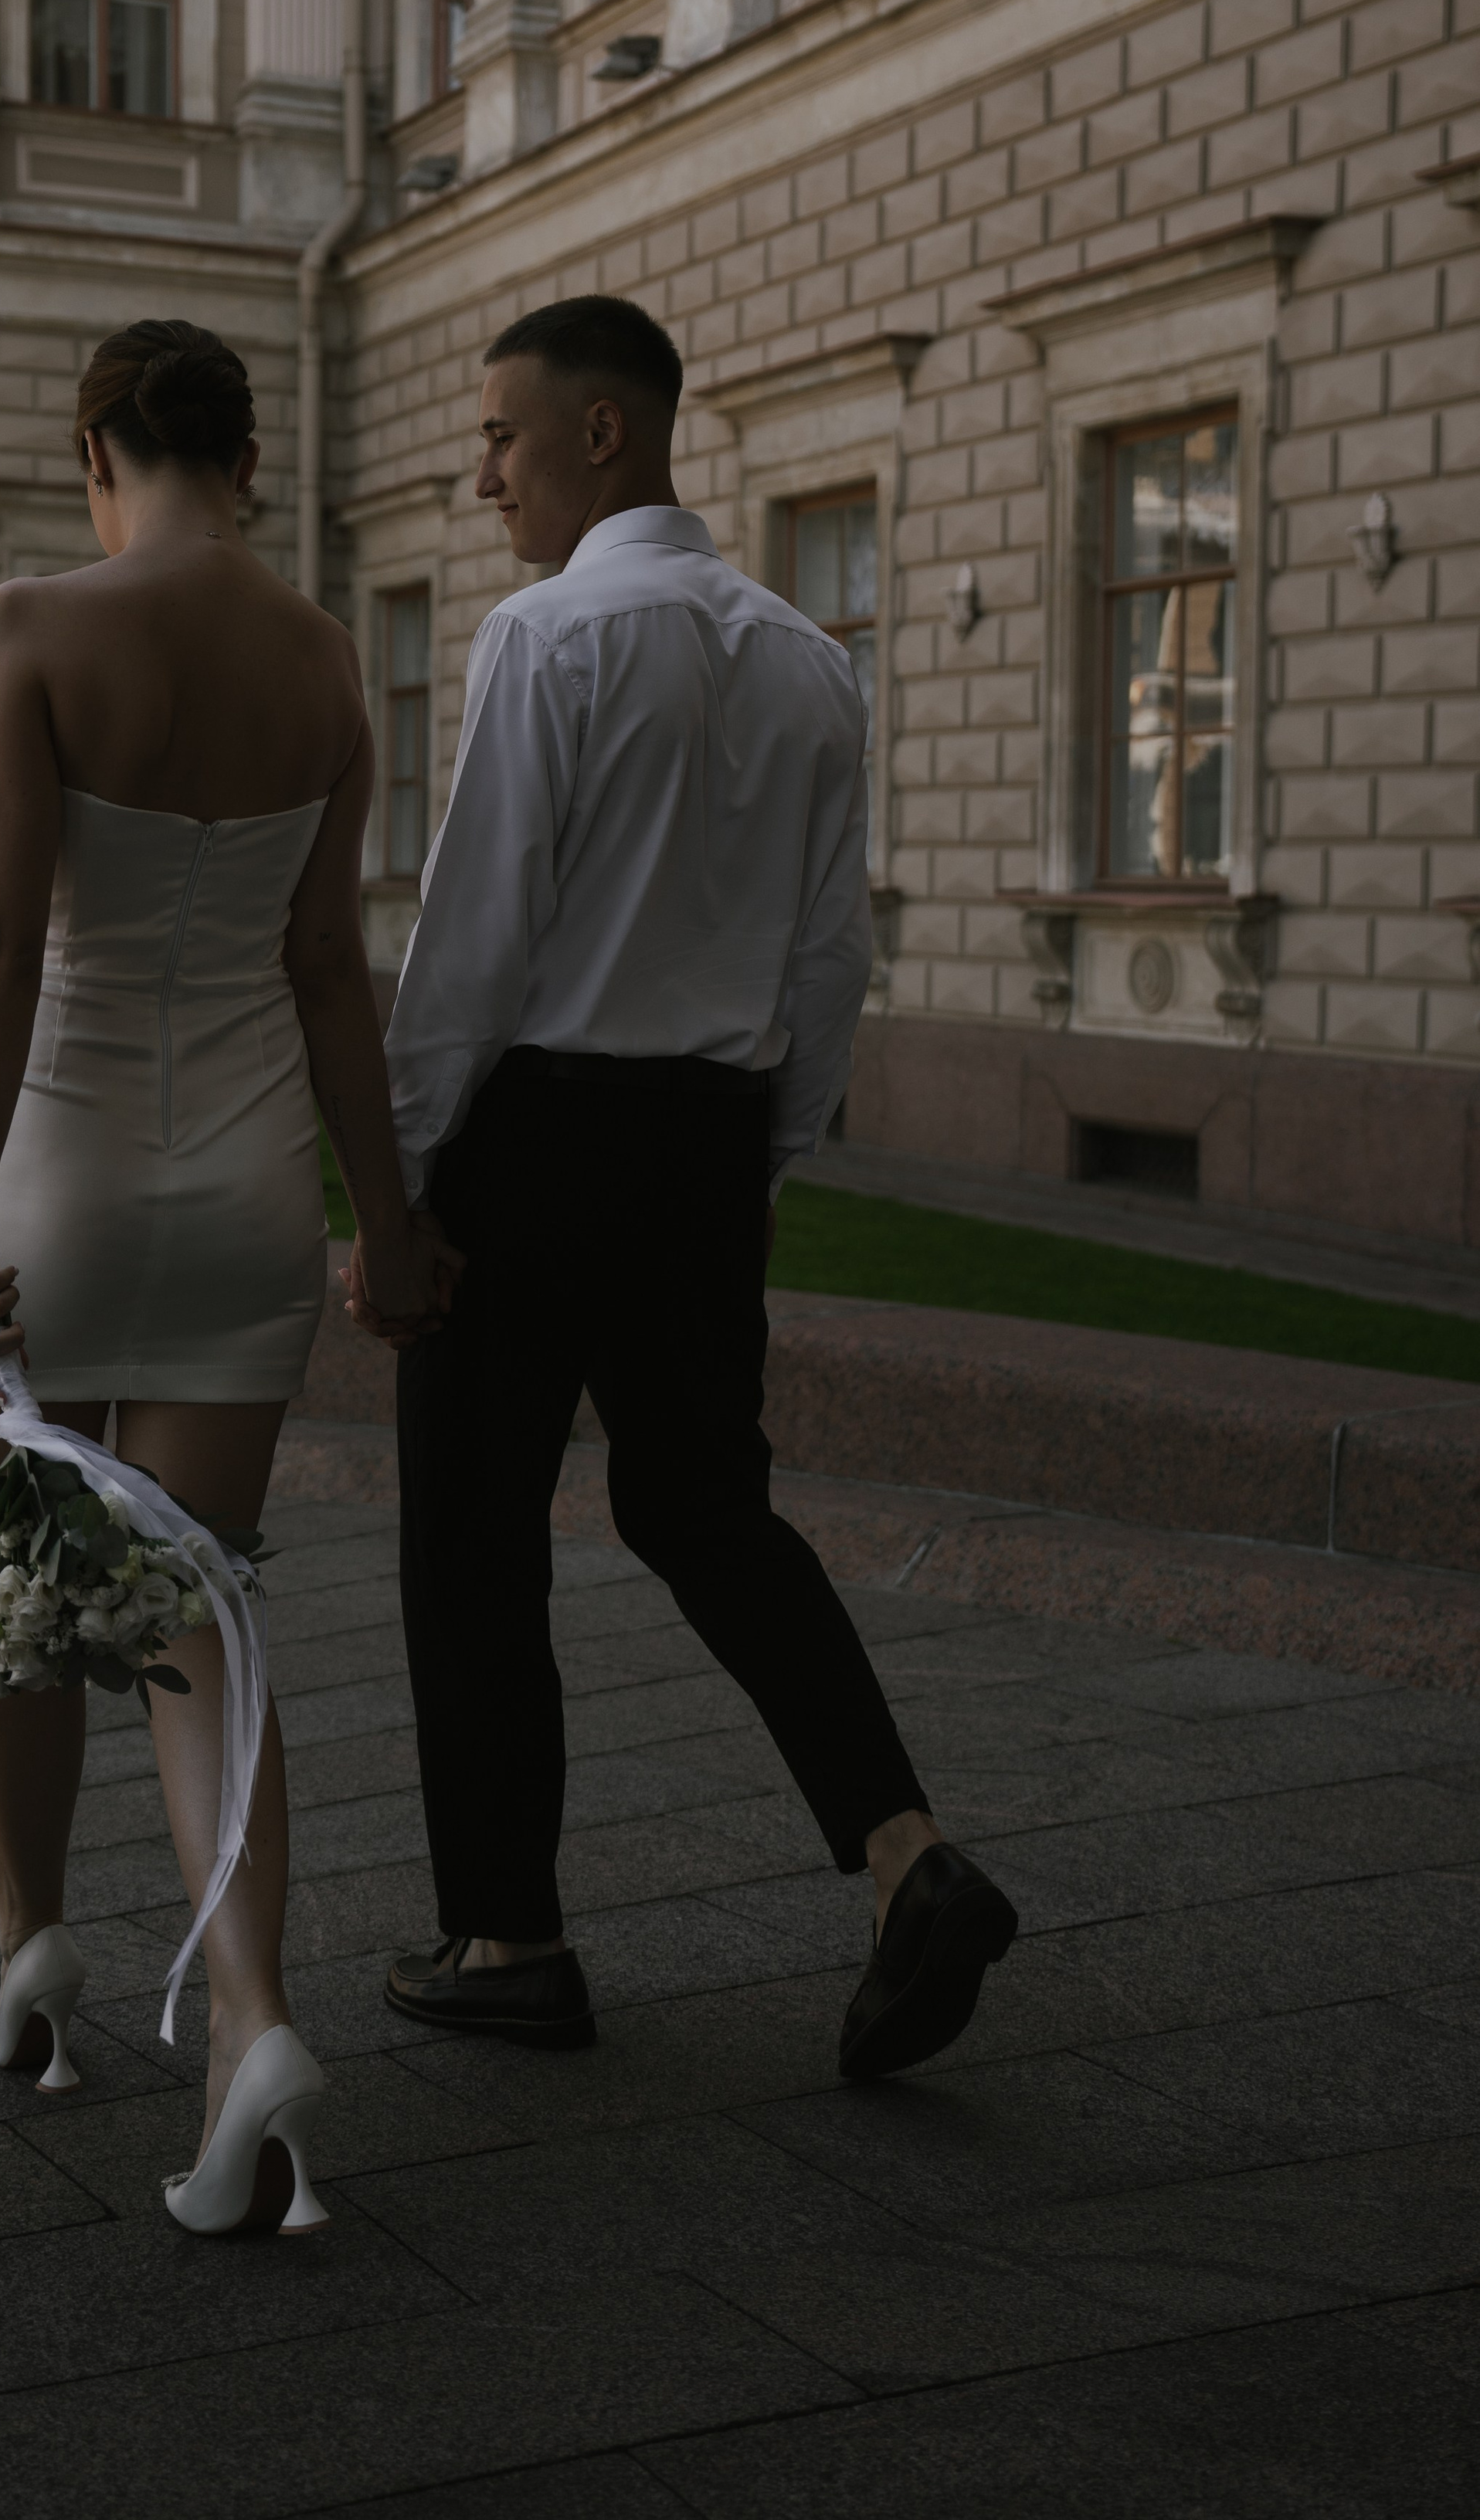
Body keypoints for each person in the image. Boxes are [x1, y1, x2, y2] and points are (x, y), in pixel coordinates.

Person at [347, 294, 1017, 2080]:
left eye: (498, 433)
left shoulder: (545, 636)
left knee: (473, 1535)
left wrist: (396, 1195)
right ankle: (903, 1856)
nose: (478, 470)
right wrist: (750, 1160)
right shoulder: (809, 657)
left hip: (536, 1135)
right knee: (707, 1509)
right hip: (707, 1145)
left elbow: (466, 950)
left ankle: (508, 1935)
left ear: (599, 434)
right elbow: (826, 961)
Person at [0, 317, 442, 2230]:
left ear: (95, 450)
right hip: (244, 1196)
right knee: (193, 1614)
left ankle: (35, 1946)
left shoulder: (30, 627)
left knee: (31, 1593)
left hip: (55, 1184)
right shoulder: (323, 664)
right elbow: (329, 972)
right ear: (241, 455)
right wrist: (382, 1220)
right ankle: (250, 2014)